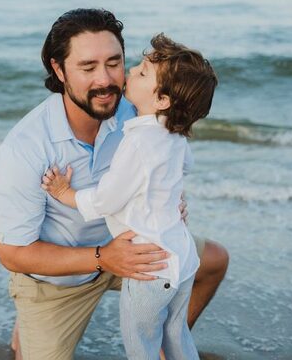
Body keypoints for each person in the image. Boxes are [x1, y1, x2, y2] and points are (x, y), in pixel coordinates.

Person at [0, 9, 229, 360]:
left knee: (213, 260)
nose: (106, 79)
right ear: (59, 70)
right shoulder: (24, 148)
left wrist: (172, 198)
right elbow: (11, 253)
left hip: (137, 247)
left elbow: (171, 159)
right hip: (61, 278)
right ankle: (28, 324)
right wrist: (104, 257)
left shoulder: (139, 111)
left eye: (115, 62)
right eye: (87, 68)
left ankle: (165, 343)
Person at [41, 33, 217, 360]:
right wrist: (169, 197)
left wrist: (65, 193)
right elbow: (183, 169)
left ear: (162, 99)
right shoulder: (175, 137)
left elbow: (106, 200)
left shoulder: (137, 142)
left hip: (150, 266)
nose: (131, 72)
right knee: (176, 337)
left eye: (143, 72)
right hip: (182, 257)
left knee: (142, 346)